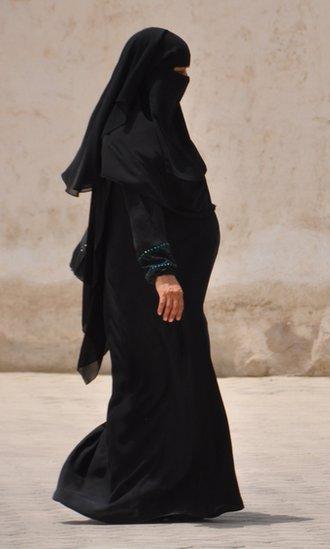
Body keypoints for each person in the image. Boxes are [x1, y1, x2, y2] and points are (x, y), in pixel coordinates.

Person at [53, 28, 243, 523]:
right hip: (147, 290)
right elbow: (141, 211)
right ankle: (110, 488)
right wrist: (163, 273)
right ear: (148, 76)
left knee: (185, 382)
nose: (182, 81)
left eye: (187, 73)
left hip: (182, 291)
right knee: (147, 384)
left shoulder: (166, 131)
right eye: (174, 72)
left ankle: (183, 495)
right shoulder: (125, 136)